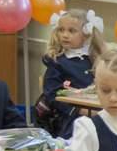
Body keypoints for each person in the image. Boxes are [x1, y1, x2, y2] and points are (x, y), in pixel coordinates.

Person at [41, 9, 107, 137]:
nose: (65, 35)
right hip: (70, 117)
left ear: (86, 34)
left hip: (98, 111)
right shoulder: (57, 61)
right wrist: (78, 111)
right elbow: (51, 94)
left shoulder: (95, 58)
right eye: (61, 30)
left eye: (71, 31)